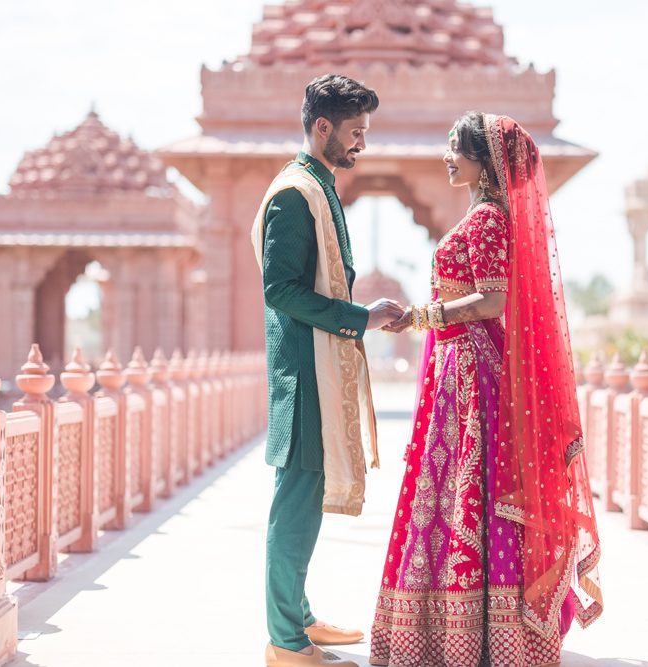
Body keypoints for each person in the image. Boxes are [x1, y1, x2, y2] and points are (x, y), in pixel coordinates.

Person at [369, 113, 604, 666]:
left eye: (457, 149)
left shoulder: (487, 222)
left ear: (485, 161)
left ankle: (476, 634)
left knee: (471, 490)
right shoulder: (484, 217)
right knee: (458, 492)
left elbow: (492, 301)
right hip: (463, 367)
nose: (448, 158)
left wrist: (419, 316)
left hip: (471, 371)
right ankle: (465, 630)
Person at [251, 74, 404, 667]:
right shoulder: (295, 194)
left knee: (305, 502)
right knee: (294, 506)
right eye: (355, 132)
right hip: (304, 376)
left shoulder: (320, 186)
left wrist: (357, 319)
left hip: (319, 367)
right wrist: (358, 318)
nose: (362, 143)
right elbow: (280, 290)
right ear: (322, 127)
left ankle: (300, 619)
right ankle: (285, 642)